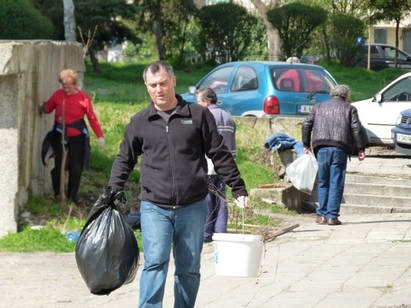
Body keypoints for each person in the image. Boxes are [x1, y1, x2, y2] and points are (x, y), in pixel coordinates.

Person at [107, 60, 249, 308]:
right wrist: (113, 189)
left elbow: (219, 152)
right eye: (152, 85)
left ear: (173, 81)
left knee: (189, 269)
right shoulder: (140, 121)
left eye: (163, 83)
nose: (158, 89)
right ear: (146, 86)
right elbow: (124, 158)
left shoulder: (198, 115)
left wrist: (238, 187)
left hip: (192, 206)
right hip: (154, 206)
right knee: (155, 263)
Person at [301, 85, 366, 225]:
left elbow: (306, 124)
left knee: (323, 182)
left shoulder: (318, 107)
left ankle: (321, 215)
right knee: (336, 182)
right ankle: (332, 217)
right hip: (340, 148)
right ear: (346, 96)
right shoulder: (350, 108)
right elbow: (357, 129)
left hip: (321, 147)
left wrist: (306, 144)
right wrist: (361, 148)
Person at [40, 69, 105, 204]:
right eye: (64, 87)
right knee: (60, 166)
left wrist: (100, 136)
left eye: (69, 87)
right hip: (60, 136)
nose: (66, 90)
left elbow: (91, 117)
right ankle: (58, 193)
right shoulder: (58, 95)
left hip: (77, 138)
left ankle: (72, 198)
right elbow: (48, 108)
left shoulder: (83, 98)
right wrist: (42, 107)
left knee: (75, 167)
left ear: (75, 85)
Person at [195, 87, 236, 243]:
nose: (197, 105)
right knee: (221, 198)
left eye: (198, 101)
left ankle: (206, 232)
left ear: (206, 102)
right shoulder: (228, 117)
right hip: (226, 165)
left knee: (207, 199)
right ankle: (220, 231)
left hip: (208, 163)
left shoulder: (204, 116)